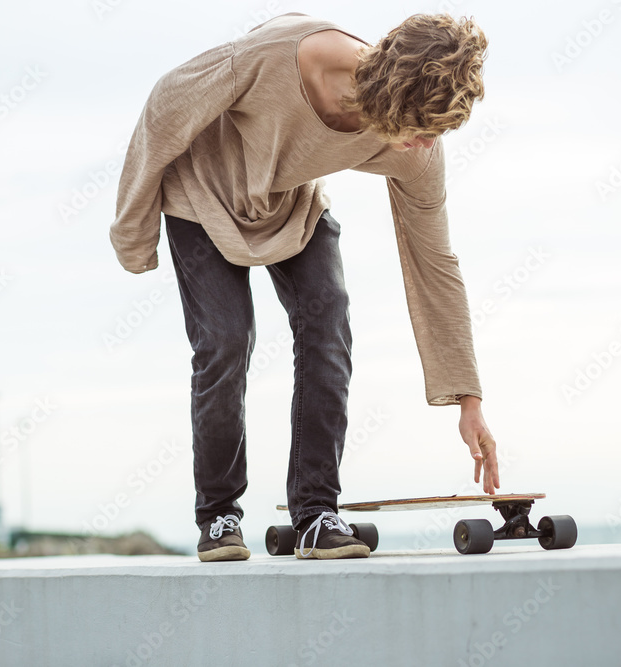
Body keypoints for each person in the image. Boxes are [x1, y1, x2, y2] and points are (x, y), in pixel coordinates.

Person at [110, 12, 499, 561]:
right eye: (418, 129)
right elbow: (167, 104)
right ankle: (219, 514)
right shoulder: (278, 56)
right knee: (225, 339)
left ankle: (316, 514)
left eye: (433, 134)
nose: (421, 146)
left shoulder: (418, 147)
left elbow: (434, 260)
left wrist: (469, 399)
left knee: (329, 323)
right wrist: (133, 229)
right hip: (201, 196)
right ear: (389, 95)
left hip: (289, 205)